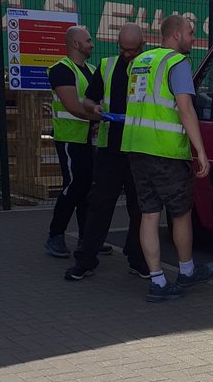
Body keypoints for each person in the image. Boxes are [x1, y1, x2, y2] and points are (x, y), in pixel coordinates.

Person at [121, 14, 213, 303]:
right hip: (166, 151)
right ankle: (186, 271)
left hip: (136, 147)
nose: (192, 39)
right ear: (175, 34)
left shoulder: (140, 62)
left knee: (149, 214)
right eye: (189, 33)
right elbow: (186, 110)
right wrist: (200, 150)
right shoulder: (177, 64)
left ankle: (157, 281)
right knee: (180, 213)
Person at [64, 22, 149, 281]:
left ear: (143, 46)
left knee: (140, 208)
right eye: (123, 49)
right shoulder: (107, 65)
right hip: (110, 148)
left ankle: (138, 259)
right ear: (117, 46)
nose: (127, 55)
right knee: (100, 206)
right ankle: (86, 259)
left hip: (139, 147)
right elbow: (89, 98)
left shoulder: (151, 66)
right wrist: (94, 108)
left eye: (132, 51)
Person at [44, 25, 110, 258]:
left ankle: (87, 239)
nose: (92, 44)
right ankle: (55, 235)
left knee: (87, 189)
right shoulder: (61, 70)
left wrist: (99, 119)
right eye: (88, 40)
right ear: (75, 43)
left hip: (88, 140)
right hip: (70, 139)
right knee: (73, 187)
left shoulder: (92, 70)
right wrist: (102, 117)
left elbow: (96, 101)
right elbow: (72, 106)